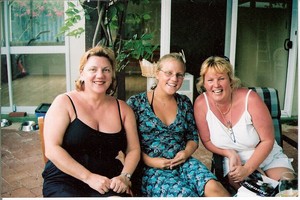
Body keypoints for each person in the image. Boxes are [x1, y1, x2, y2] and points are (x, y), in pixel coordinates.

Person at [127, 53, 230, 197]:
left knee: (215, 188)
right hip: (151, 169)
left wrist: (185, 153)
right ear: (157, 74)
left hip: (183, 162)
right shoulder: (136, 103)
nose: (174, 79)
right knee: (186, 195)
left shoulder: (184, 103)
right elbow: (127, 145)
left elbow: (193, 138)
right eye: (169, 73)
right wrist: (151, 161)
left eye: (179, 75)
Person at [42, 45, 140, 197]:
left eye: (106, 70)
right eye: (93, 69)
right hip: (65, 178)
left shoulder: (123, 109)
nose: (100, 75)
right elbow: (52, 149)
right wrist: (88, 177)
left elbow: (133, 149)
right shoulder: (64, 102)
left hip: (108, 179)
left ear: (112, 74)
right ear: (82, 73)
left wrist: (125, 177)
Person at [193, 56, 294, 189]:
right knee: (256, 193)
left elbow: (267, 140)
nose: (216, 85)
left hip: (267, 155)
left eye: (221, 78)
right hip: (235, 162)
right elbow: (207, 141)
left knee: (287, 189)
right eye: (210, 80)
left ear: (230, 80)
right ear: (204, 84)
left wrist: (248, 168)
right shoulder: (201, 104)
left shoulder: (251, 99)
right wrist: (229, 153)